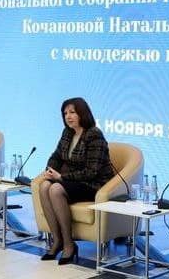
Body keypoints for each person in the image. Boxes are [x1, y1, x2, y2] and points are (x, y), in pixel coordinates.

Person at [37, 97, 115, 265]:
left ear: (82, 113)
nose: (68, 116)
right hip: (71, 181)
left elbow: (92, 172)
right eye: (65, 113)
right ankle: (57, 240)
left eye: (72, 112)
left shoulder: (94, 134)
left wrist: (61, 178)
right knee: (43, 186)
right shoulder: (67, 133)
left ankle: (69, 244)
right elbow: (56, 156)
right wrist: (50, 170)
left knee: (55, 189)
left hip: (93, 184)